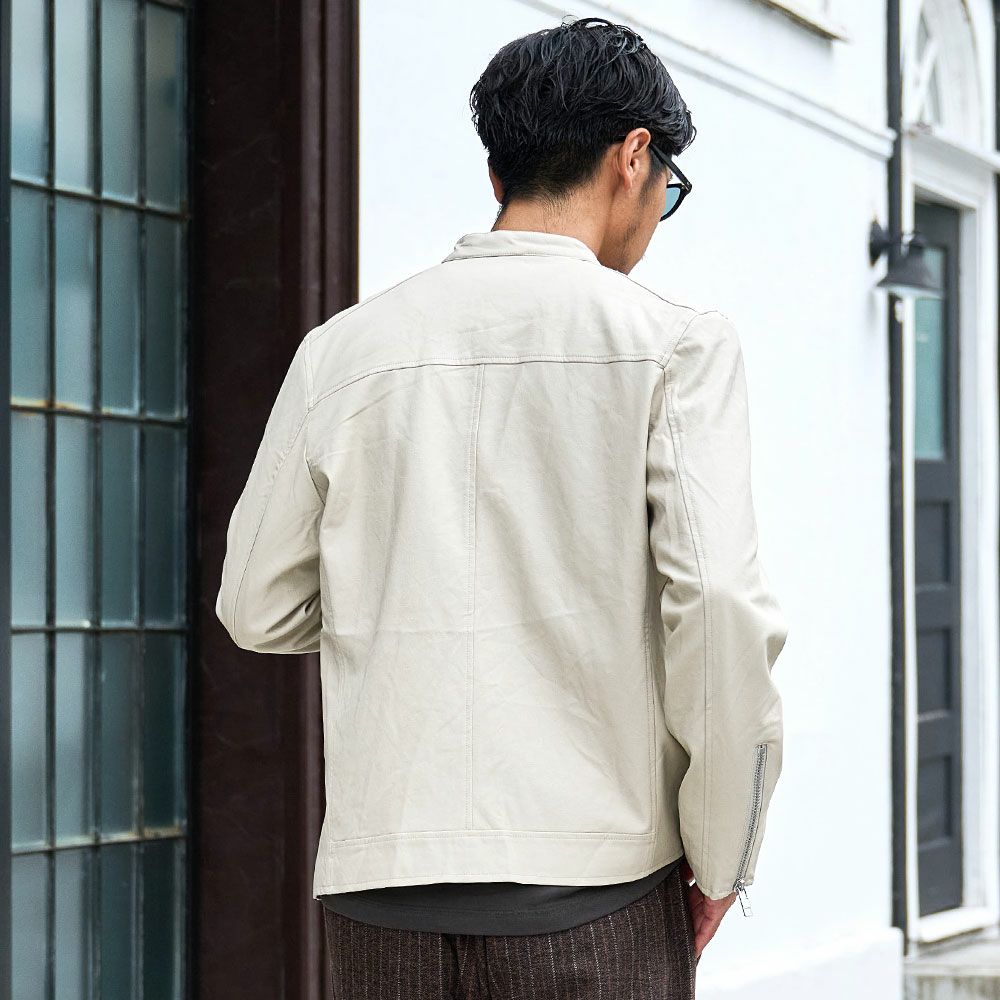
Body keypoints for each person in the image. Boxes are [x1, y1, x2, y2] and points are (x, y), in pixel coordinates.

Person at [215, 15, 789, 999]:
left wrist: (398, 597)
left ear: (497, 177)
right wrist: (721, 853)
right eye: (668, 189)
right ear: (634, 158)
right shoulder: (672, 345)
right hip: (593, 892)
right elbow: (718, 610)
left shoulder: (341, 351)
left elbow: (257, 605)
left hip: (380, 895)